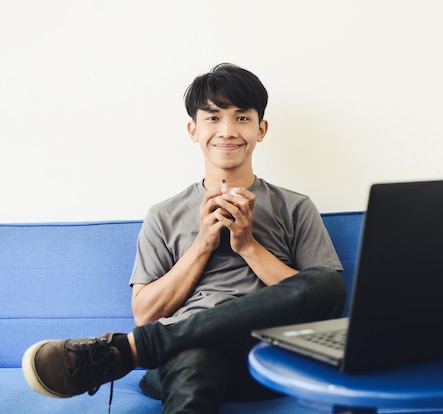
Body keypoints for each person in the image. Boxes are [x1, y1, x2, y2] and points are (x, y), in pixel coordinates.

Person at [22, 63, 347, 414]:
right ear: (193, 129)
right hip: (186, 361)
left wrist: (248, 245)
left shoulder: (295, 207)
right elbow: (146, 313)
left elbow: (324, 307)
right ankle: (149, 347)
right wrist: (203, 243)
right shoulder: (163, 214)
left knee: (329, 284)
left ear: (261, 129)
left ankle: (129, 351)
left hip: (267, 359)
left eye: (241, 118)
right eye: (213, 118)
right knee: (195, 358)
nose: (227, 130)